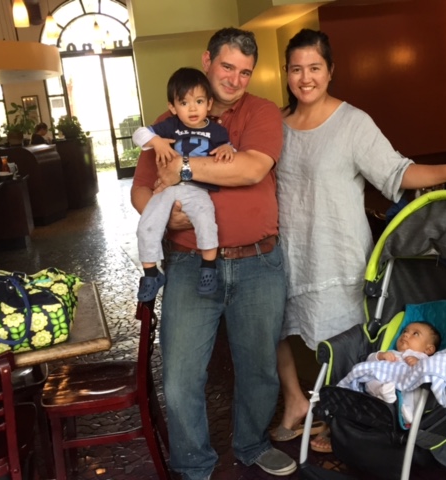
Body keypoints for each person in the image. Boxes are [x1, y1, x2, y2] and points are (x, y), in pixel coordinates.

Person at [272, 28, 446, 454]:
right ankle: (295, 401)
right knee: (276, 331)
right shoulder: (276, 126)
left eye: (315, 68)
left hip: (337, 255)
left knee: (344, 345)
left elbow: (398, 172)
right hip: (289, 252)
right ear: (286, 72)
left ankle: (345, 423)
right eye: (296, 69)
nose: (305, 78)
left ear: (331, 71)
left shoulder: (352, 123)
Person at [130, 28, 296, 479]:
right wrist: (166, 217)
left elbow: (251, 168)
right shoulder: (170, 118)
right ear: (207, 61)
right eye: (227, 66)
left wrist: (182, 168)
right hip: (188, 263)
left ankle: (252, 444)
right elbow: (141, 188)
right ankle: (193, 465)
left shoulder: (261, 111)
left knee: (259, 369)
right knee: (181, 374)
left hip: (259, 261)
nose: (235, 79)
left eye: (245, 72)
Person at [131, 67, 234, 301]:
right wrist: (156, 141)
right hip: (166, 188)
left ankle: (208, 267)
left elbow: (230, 151)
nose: (192, 108)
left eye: (199, 101)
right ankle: (150, 273)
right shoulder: (169, 126)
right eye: (184, 103)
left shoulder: (217, 131)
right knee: (148, 222)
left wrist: (228, 149)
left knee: (206, 219)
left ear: (209, 103)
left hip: (197, 189)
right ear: (173, 107)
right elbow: (139, 135)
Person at [355, 322, 440, 424]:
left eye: (415, 333)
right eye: (405, 331)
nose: (406, 334)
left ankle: (407, 411)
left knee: (416, 390)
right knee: (370, 381)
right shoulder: (392, 353)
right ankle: (383, 392)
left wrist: (419, 364)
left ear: (428, 349)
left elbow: (435, 373)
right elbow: (369, 362)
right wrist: (380, 356)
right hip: (384, 381)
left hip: (406, 384)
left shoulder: (426, 360)